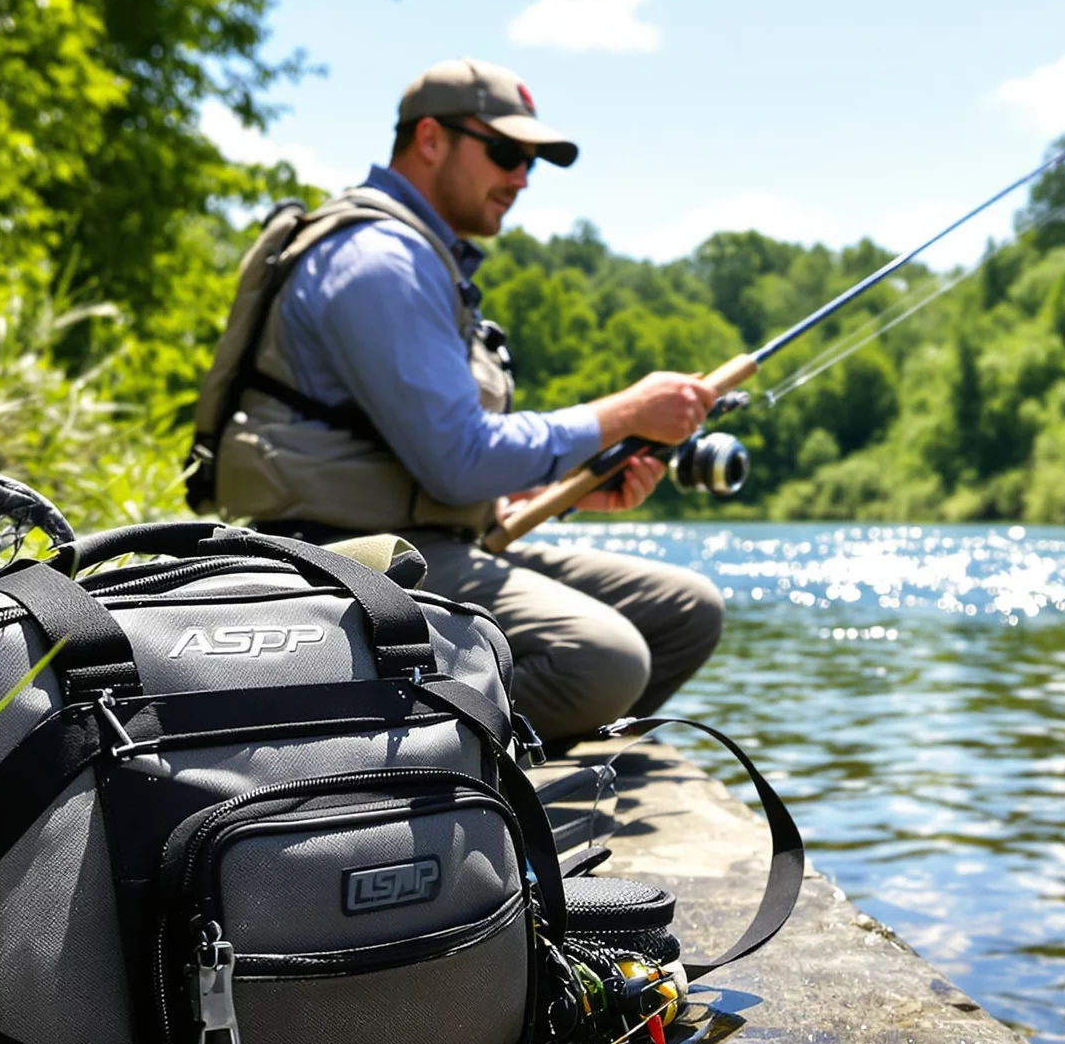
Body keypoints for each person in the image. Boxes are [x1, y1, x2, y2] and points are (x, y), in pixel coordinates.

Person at [204, 57, 725, 746]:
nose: (522, 177)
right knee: (602, 660)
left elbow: (433, 461)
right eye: (506, 151)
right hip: (340, 554)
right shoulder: (379, 261)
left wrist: (569, 491)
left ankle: (509, 765)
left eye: (532, 160)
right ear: (429, 139)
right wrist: (623, 415)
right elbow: (457, 460)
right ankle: (427, 773)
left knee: (685, 610)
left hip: (428, 538)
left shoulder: (419, 255)